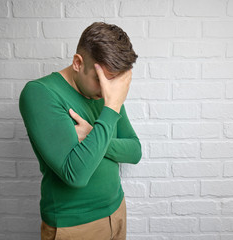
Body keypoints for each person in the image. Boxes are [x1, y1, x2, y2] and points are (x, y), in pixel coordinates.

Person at [18, 22, 142, 240]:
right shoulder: (40, 93)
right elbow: (76, 175)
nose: (106, 92)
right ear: (77, 63)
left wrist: (92, 134)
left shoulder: (106, 94)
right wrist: (112, 108)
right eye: (100, 80)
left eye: (113, 83)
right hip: (74, 225)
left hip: (117, 210)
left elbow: (134, 151)